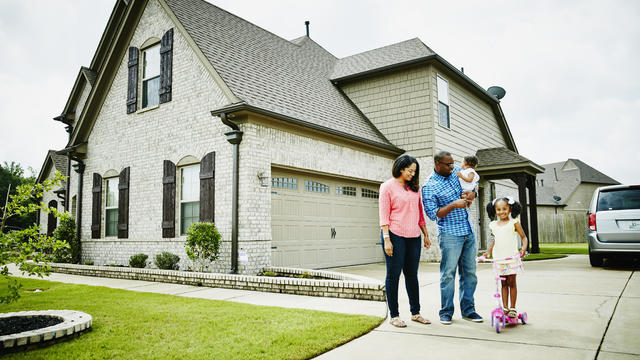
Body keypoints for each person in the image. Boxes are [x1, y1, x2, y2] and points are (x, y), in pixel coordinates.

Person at [421, 150, 483, 325]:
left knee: (470, 274)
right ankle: (446, 312)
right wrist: (454, 204)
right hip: (449, 234)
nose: (452, 167)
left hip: (468, 230)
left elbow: (474, 187)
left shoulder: (456, 172)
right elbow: (434, 214)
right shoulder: (429, 186)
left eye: (453, 163)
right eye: (448, 164)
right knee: (448, 274)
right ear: (438, 164)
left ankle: (469, 311)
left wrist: (473, 195)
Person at [379, 154, 431, 327]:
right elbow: (384, 215)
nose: (412, 174)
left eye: (414, 171)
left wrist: (425, 234)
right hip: (394, 234)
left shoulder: (415, 189)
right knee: (393, 275)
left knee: (412, 275)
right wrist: (387, 239)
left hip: (413, 236)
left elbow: (419, 213)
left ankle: (415, 313)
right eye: (410, 170)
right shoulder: (387, 187)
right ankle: (394, 315)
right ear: (401, 168)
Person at [483, 196, 528, 318]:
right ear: (495, 210)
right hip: (500, 259)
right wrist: (488, 252)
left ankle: (512, 308)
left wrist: (523, 249)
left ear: (510, 209)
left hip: (512, 258)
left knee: (511, 282)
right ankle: (505, 308)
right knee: (503, 284)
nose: (501, 212)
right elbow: (495, 240)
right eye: (498, 209)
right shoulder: (493, 225)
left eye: (504, 209)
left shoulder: (514, 222)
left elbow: (524, 237)